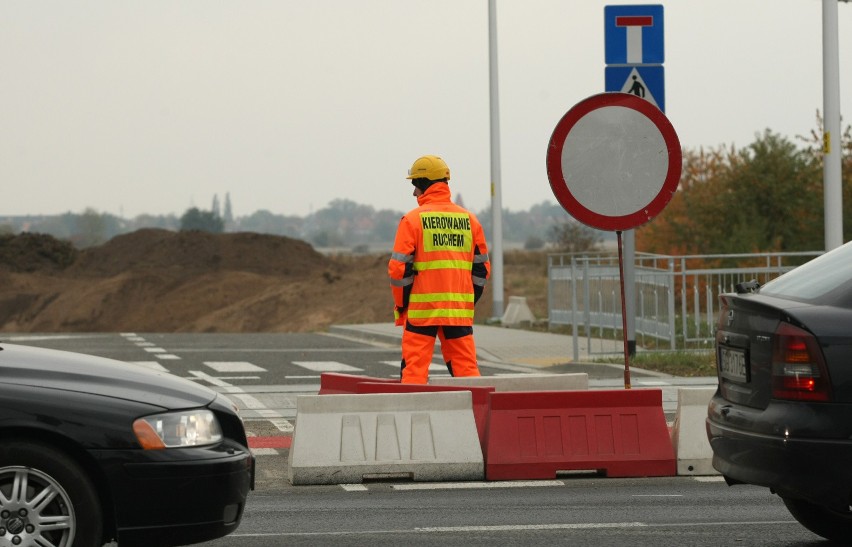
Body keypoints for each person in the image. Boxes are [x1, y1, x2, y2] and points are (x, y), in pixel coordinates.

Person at [388, 155, 491, 384]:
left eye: (415, 184)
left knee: (414, 373)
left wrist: (403, 304)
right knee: (467, 373)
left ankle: (412, 417)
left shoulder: (413, 220)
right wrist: (467, 300)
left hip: (422, 310)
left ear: (424, 183)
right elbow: (482, 269)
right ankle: (479, 414)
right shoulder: (470, 220)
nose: (414, 192)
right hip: (458, 311)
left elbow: (398, 270)